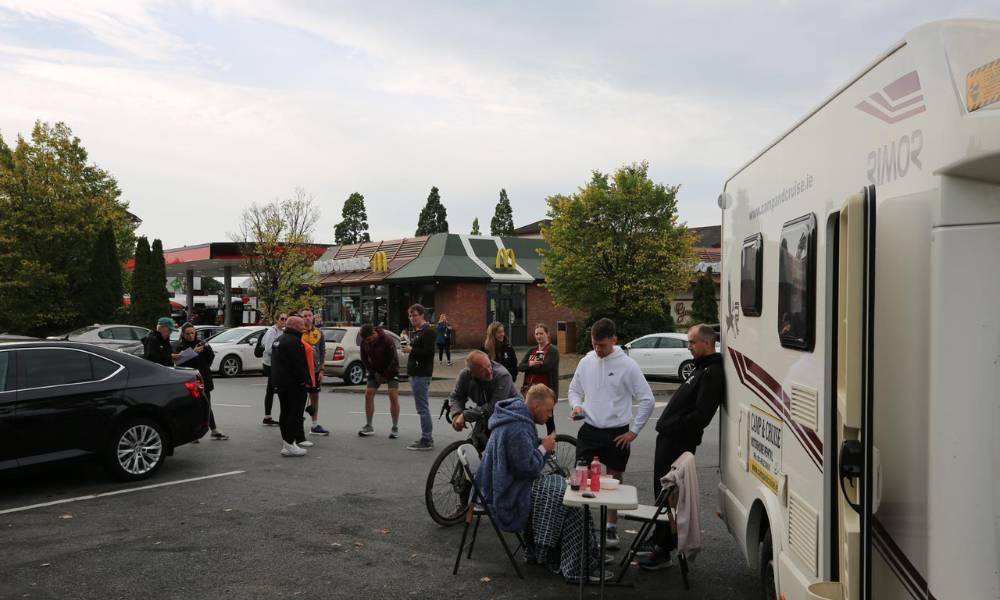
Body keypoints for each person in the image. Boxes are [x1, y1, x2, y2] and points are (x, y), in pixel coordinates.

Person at [476, 384, 606, 581]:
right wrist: (544, 448)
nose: (549, 415)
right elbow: (526, 468)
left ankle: (570, 552)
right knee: (565, 498)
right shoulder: (517, 427)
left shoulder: (515, 418)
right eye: (548, 410)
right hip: (508, 491)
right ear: (535, 407)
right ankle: (571, 560)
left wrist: (539, 444)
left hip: (504, 483)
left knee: (563, 489)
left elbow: (519, 454)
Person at [638, 324, 725, 570]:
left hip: (677, 441)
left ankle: (663, 550)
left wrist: (671, 424)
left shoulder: (712, 373)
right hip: (669, 438)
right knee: (661, 491)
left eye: (692, 342)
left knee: (669, 494)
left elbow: (701, 415)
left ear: (707, 343)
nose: (689, 347)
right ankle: (659, 538)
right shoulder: (701, 368)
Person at [568, 317, 655, 550]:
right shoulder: (587, 361)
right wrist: (576, 405)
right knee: (581, 479)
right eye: (594, 344)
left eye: (603, 345)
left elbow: (648, 399)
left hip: (617, 432)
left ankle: (611, 528)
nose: (597, 349)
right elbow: (574, 390)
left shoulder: (628, 365)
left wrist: (634, 431)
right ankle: (581, 527)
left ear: (614, 340)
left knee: (614, 481)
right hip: (590, 429)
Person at [447, 350, 520, 449]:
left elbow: (493, 408)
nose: (489, 372)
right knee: (472, 445)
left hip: (512, 414)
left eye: (489, 366)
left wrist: (465, 415)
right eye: (482, 370)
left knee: (500, 452)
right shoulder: (465, 376)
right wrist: (456, 414)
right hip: (485, 414)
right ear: (472, 373)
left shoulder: (502, 376)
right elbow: (456, 396)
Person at [174, 322, 228, 441]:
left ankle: (213, 430)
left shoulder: (200, 343)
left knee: (206, 404)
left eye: (192, 333)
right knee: (192, 407)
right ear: (183, 334)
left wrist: (207, 348)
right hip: (190, 380)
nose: (191, 335)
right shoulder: (180, 346)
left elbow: (210, 359)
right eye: (187, 333)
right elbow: (179, 362)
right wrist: (194, 352)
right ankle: (192, 433)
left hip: (204, 378)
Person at [270, 315, 313, 456]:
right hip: (294, 384)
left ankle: (287, 442)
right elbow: (299, 364)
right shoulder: (294, 342)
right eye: (301, 325)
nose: (304, 328)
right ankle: (290, 443)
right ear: (294, 326)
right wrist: (306, 381)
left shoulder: (279, 340)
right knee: (294, 414)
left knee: (285, 412)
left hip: (281, 383)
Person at [357, 323, 401, 439]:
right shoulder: (364, 342)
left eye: (369, 339)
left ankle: (395, 427)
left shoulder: (387, 340)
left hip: (391, 370)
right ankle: (369, 425)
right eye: (366, 340)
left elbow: (393, 360)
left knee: (392, 395)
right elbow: (364, 359)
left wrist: (384, 375)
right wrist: (374, 373)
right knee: (368, 395)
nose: (368, 342)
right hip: (375, 371)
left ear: (374, 333)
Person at [402, 303, 435, 451]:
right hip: (416, 374)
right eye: (410, 315)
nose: (411, 318)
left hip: (421, 374)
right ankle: (426, 437)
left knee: (422, 408)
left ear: (422, 315)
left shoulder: (428, 331)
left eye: (414, 315)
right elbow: (417, 350)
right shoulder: (418, 331)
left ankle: (427, 439)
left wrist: (411, 349)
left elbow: (428, 353)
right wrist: (409, 347)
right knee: (421, 408)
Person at [518, 323, 560, 435]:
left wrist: (531, 366)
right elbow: (521, 366)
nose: (538, 336)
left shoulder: (553, 351)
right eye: (536, 334)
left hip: (547, 391)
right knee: (529, 417)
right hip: (531, 391)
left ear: (547, 334)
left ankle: (552, 444)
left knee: (549, 418)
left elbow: (546, 367)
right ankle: (530, 439)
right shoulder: (532, 350)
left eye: (541, 333)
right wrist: (531, 365)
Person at [300, 307, 329, 436]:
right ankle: (297, 424)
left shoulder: (318, 333)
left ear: (313, 317)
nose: (307, 318)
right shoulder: (298, 333)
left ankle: (314, 425)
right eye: (305, 316)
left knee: (315, 397)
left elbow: (322, 352)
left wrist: (322, 370)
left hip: (316, 370)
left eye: (309, 315)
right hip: (302, 371)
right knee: (300, 398)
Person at [261, 312, 287, 426]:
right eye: (282, 319)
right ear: (276, 320)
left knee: (271, 390)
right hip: (270, 364)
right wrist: (281, 351)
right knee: (274, 389)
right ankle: (268, 417)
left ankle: (267, 417)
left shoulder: (283, 331)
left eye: (286, 319)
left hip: (278, 364)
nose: (284, 321)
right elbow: (268, 348)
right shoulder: (272, 331)